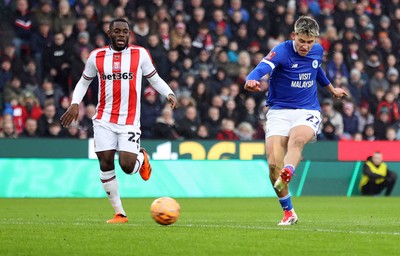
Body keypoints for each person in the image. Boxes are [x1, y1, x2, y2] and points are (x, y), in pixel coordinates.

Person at [60, 18, 177, 224]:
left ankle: (141, 158)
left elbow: (154, 78)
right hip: (103, 118)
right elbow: (83, 82)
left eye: (125, 32)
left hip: (129, 120)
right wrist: (75, 103)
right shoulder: (96, 56)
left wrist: (169, 93)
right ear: (109, 33)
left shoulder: (140, 54)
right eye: (117, 31)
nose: (121, 35)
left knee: (127, 166)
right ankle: (120, 213)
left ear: (129, 34)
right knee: (105, 162)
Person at [244, 16, 347, 225]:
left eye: (310, 42)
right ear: (294, 36)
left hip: (307, 110)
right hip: (279, 111)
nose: (306, 46)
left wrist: (332, 89)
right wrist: (251, 79)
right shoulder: (281, 51)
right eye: (302, 41)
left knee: (297, 139)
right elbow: (263, 67)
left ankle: (289, 170)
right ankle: (289, 212)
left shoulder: (317, 51)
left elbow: (316, 70)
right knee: (273, 165)